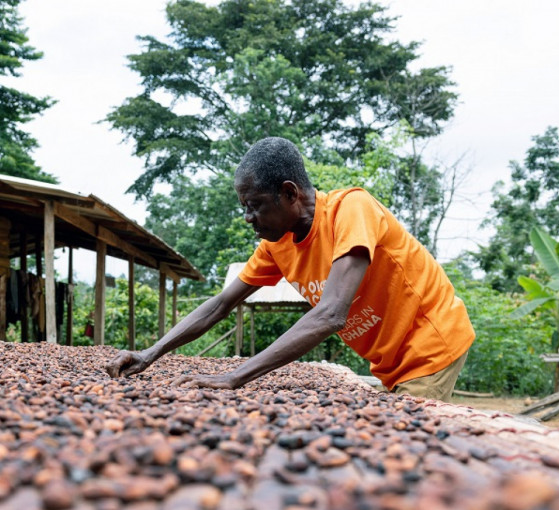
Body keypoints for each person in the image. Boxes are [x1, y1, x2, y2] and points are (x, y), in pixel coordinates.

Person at [105, 137, 474, 402]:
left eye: (255, 206)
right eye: (243, 207)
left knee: (409, 449)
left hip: (430, 344)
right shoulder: (276, 246)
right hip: (389, 360)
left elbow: (330, 315)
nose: (248, 218)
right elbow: (220, 305)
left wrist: (235, 377)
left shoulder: (351, 210)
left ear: (289, 193)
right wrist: (149, 354)